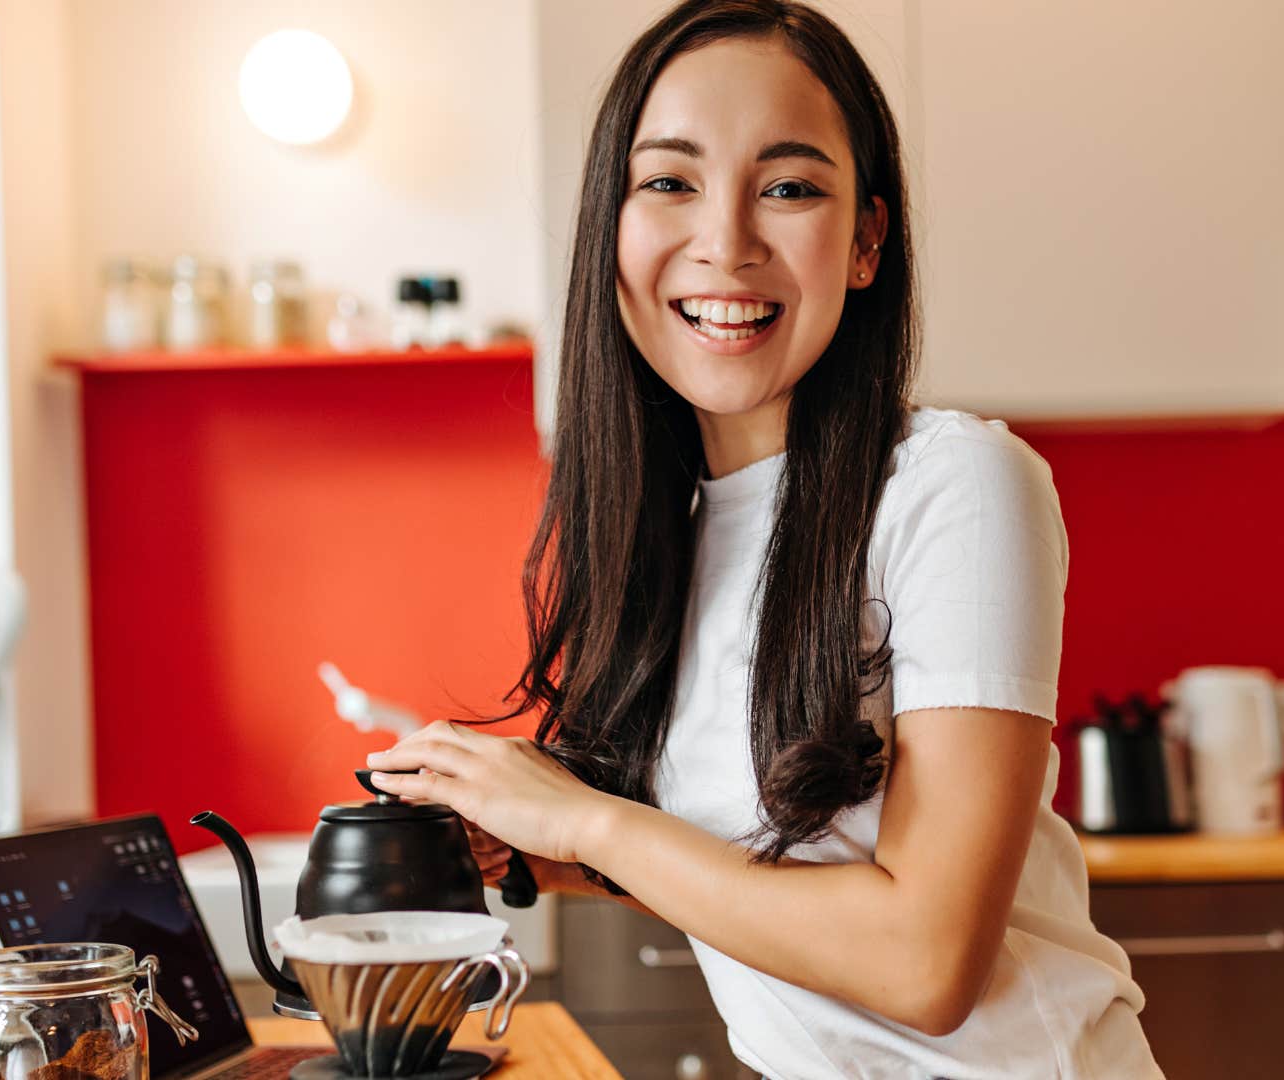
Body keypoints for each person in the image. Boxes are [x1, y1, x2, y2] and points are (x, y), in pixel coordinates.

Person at [365, 2, 1161, 1075]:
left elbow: (928, 961)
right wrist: (538, 846)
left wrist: (591, 824)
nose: (726, 243)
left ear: (868, 240)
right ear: (611, 225)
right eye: (670, 182)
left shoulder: (956, 484)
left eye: (788, 188)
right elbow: (765, 860)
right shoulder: (676, 528)